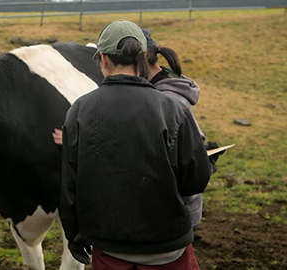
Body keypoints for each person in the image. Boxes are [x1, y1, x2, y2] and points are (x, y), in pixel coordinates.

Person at [59, 20, 213, 269]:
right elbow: (196, 180)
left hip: (108, 246)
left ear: (103, 59)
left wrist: (73, 236)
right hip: (168, 248)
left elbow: (69, 186)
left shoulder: (79, 110)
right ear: (143, 58)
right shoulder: (172, 108)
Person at [142, 28, 212, 231]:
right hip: (180, 210)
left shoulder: (168, 100)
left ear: (143, 58)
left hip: (175, 214)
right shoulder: (167, 91)